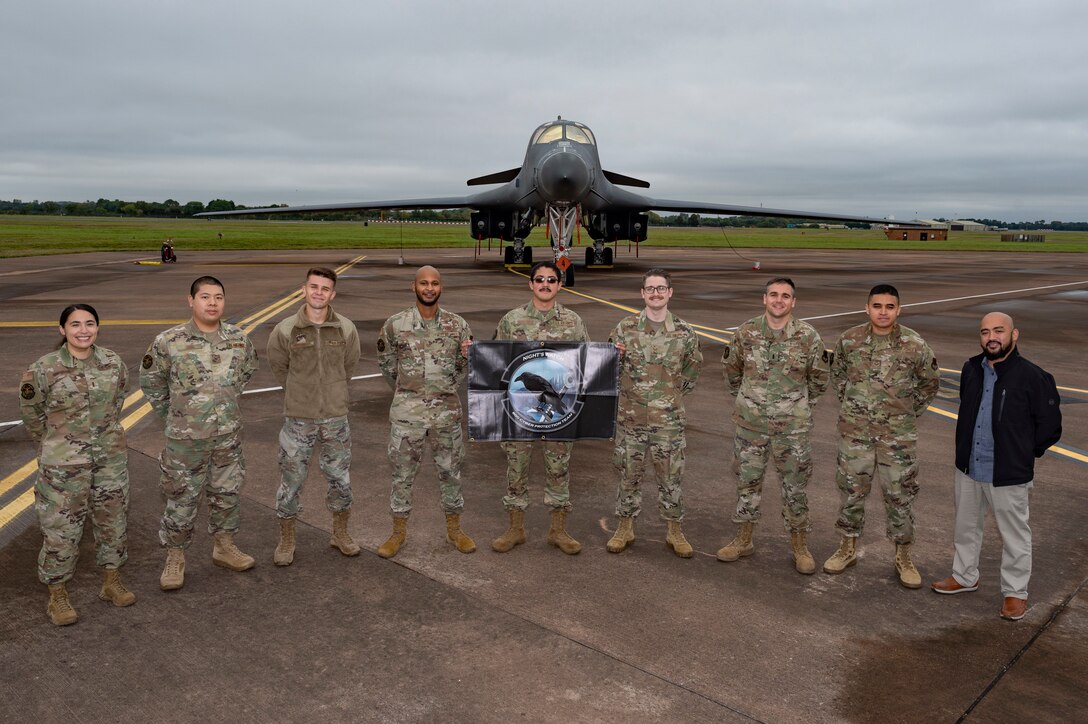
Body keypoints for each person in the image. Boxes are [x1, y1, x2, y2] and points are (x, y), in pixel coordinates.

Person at [931, 312, 1062, 621]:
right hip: (968, 467)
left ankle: (1015, 592)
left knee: (1015, 534)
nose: (991, 337)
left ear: (1014, 335)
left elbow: (1049, 427)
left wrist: (1021, 453)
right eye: (985, 331)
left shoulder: (1033, 377)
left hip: (1008, 473)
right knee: (965, 528)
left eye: (999, 331)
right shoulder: (971, 369)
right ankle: (964, 576)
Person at [140, 276, 258, 591]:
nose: (212, 303)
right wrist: (175, 417)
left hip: (227, 436)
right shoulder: (168, 341)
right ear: (190, 301)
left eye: (218, 297)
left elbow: (245, 373)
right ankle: (175, 558)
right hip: (185, 440)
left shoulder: (239, 339)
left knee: (227, 494)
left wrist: (223, 408)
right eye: (205, 297)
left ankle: (224, 546)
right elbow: (151, 382)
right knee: (181, 498)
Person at [20, 304, 135, 625]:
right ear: (62, 330)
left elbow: (118, 399)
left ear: (98, 327)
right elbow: (32, 415)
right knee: (61, 531)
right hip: (63, 469)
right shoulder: (43, 370)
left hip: (109, 461)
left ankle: (111, 582)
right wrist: (57, 445)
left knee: (113, 522)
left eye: (89, 323)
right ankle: (58, 594)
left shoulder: (113, 363)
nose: (83, 330)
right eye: (75, 325)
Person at [822, 284, 940, 587]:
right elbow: (838, 377)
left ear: (898, 310)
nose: (883, 312)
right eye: (877, 306)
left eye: (889, 306)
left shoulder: (914, 344)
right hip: (856, 435)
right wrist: (854, 408)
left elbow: (929, 382)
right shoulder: (849, 340)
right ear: (867, 308)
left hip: (897, 438)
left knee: (900, 495)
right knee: (851, 491)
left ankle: (904, 555)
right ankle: (847, 548)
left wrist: (906, 413)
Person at [717, 278, 830, 574]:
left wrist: (797, 407)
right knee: (747, 484)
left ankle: (799, 546)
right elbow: (731, 373)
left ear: (793, 302)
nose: (779, 300)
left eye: (785, 296)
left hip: (792, 430)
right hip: (751, 426)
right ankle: (743, 540)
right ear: (764, 299)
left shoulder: (808, 337)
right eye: (773, 295)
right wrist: (750, 402)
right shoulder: (746, 332)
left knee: (795, 488)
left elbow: (819, 380)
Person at [375, 266, 475, 558]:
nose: (429, 288)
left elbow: (463, 365)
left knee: (451, 473)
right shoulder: (396, 325)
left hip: (446, 415)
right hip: (408, 416)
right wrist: (410, 391)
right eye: (423, 283)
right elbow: (387, 365)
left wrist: (443, 388)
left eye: (434, 283)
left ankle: (455, 530)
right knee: (402, 475)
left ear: (441, 287)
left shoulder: (458, 326)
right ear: (414, 286)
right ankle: (397, 533)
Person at [492, 260, 590, 555]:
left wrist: (612, 354)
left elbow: (587, 361)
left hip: (558, 413)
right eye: (539, 279)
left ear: (560, 285)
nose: (545, 284)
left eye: (551, 279)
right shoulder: (512, 320)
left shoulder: (573, 322)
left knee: (559, 467)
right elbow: (496, 360)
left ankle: (558, 530)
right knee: (516, 468)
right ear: (530, 284)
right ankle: (515, 528)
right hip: (519, 413)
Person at [267, 267, 362, 566]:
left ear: (332, 294)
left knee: (340, 480)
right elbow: (279, 367)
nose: (318, 292)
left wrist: (331, 393)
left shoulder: (345, 328)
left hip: (335, 418)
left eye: (325, 288)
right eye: (313, 287)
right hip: (299, 419)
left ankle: (340, 533)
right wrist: (301, 392)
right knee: (291, 480)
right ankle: (287, 538)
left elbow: (349, 367)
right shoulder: (286, 330)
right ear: (304, 290)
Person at [606, 268, 702, 557]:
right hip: (631, 420)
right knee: (628, 476)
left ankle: (675, 531)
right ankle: (625, 528)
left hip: (668, 423)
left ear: (670, 293)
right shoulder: (625, 328)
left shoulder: (685, 332)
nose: (656, 293)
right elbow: (608, 368)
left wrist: (666, 399)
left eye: (661, 288)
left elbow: (691, 373)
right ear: (642, 293)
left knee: (671, 478)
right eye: (650, 288)